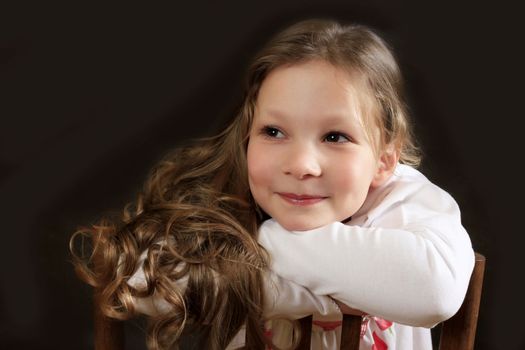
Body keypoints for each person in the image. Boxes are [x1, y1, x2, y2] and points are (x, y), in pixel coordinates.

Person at [71, 18, 475, 350]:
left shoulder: (404, 198)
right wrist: (347, 286)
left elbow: (434, 289)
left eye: (335, 137)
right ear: (248, 136)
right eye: (274, 132)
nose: (301, 165)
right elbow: (138, 279)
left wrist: (264, 248)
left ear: (385, 158)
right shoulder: (233, 192)